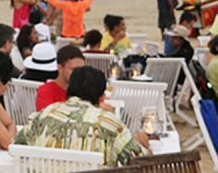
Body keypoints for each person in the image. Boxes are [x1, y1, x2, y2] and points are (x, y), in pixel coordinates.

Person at [16, 65, 149, 166]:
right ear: (102, 97)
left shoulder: (42, 115)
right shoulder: (110, 125)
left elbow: (16, 146)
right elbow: (143, 163)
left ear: (69, 89)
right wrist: (144, 145)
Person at [34, 45, 85, 111]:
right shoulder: (46, 91)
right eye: (73, 70)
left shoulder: (84, 88)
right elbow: (45, 118)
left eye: (82, 70)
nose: (79, 74)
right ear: (60, 68)